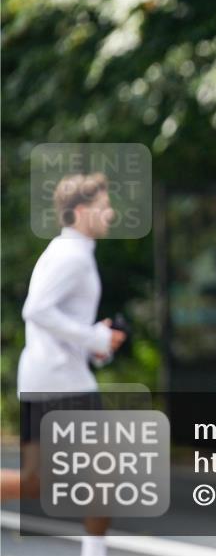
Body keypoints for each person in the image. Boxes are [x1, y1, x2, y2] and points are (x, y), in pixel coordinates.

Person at [0, 172, 127, 556]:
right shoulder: (71, 256)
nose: (111, 214)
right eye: (104, 207)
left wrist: (95, 344)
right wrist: (95, 339)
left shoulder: (68, 252)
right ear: (82, 211)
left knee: (34, 482)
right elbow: (36, 309)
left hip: (47, 376)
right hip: (63, 381)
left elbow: (54, 321)